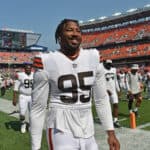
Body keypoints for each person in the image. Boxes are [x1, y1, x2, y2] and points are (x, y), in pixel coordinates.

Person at [30, 19, 120, 150]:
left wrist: (110, 133)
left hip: (88, 129)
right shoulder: (46, 61)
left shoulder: (94, 57)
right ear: (59, 36)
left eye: (78, 30)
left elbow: (101, 99)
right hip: (60, 128)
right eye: (69, 30)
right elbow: (38, 107)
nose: (75, 33)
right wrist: (35, 147)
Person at [12, 64, 33, 133]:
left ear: (31, 69)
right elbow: (16, 87)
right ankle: (23, 124)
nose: (28, 69)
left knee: (32, 113)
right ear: (24, 69)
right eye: (27, 68)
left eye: (29, 68)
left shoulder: (34, 74)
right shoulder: (20, 75)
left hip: (32, 96)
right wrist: (14, 98)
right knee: (22, 113)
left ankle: (30, 125)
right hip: (23, 96)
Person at [103, 59, 121, 128]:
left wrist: (118, 90)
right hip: (105, 92)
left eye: (110, 64)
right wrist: (106, 90)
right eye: (108, 64)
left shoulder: (114, 70)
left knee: (116, 104)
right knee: (107, 107)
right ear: (105, 64)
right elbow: (100, 82)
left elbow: (116, 80)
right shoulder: (102, 71)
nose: (109, 66)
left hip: (113, 91)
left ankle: (115, 120)